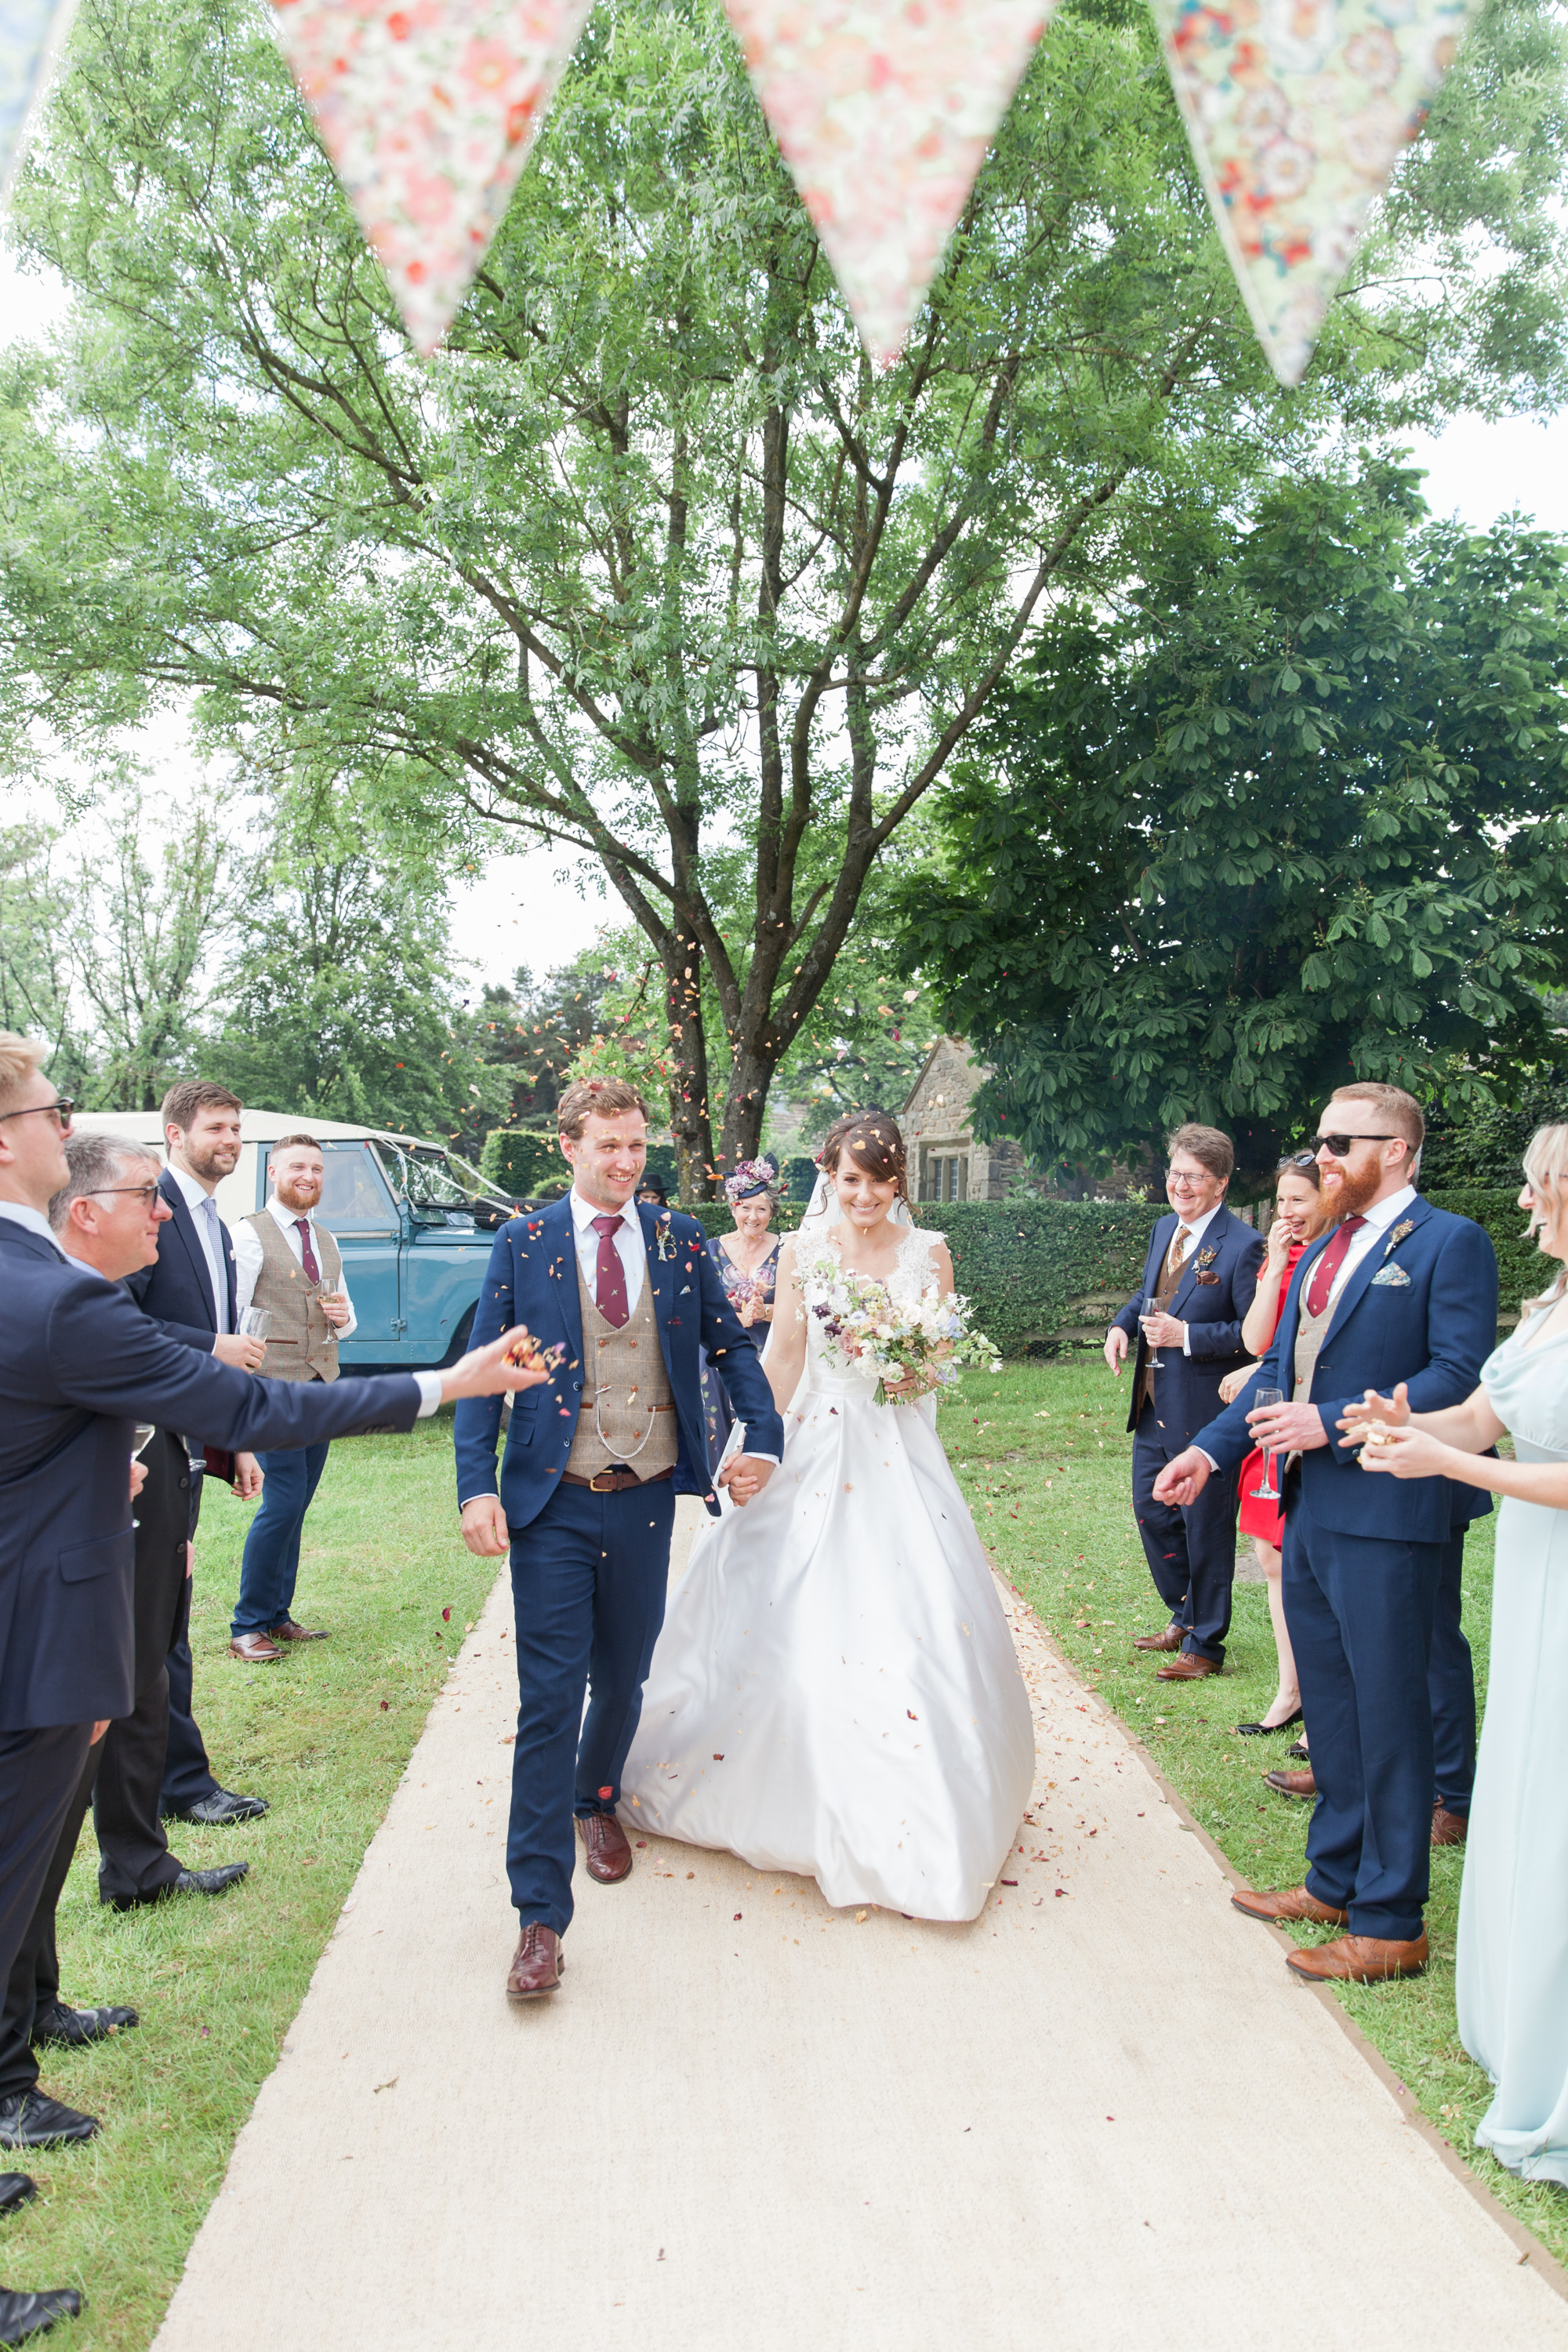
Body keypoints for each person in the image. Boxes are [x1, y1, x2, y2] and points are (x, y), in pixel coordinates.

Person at [0, 1033, 548, 2338]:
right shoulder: (59, 1296)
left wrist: (83, 1476)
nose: (60, 1121)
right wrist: (449, 1384)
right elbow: (257, 1414)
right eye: (46, 1106)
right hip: (31, 1651)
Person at [621, 1112, 1036, 1922]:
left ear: (899, 1184)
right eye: (851, 1180)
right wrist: (762, 1446)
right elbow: (782, 1353)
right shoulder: (804, 1251)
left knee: (910, 1618)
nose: (865, 1196)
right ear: (828, 1177)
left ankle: (921, 1809)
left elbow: (936, 1367)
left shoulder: (930, 1253)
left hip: (893, 1447)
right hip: (814, 1437)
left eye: (881, 1182)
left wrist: (906, 1365)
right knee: (774, 1598)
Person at [1153, 1081, 1497, 1985]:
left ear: (1399, 1150)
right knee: (1336, 1712)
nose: (1326, 1157)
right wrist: (1207, 1450)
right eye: (1322, 1141)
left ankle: (1389, 1925)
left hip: (1388, 1512)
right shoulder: (1320, 1250)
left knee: (1387, 1715)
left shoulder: (1448, 1243)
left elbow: (1457, 1376)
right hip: (1310, 1508)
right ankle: (1333, 1881)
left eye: (1342, 1142)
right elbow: (1275, 1370)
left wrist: (1330, 1418)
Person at [454, 1078, 784, 2004]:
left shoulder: (679, 1239)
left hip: (643, 1497)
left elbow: (728, 1345)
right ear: (569, 1146)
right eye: (608, 1146)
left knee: (624, 1675)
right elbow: (487, 1371)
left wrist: (763, 1435)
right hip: (552, 1502)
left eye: (636, 1146)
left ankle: (595, 1797)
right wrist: (475, 1485)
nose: (626, 1162)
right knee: (549, 1695)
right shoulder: (522, 1243)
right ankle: (537, 1921)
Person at [1346, 1124, 1568, 2177]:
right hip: (1535, 1578)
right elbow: (1486, 1414)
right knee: (1529, 1777)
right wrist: (1415, 1423)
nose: (1527, 1209)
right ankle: (1519, 2009)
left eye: (1540, 1191)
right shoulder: (1548, 1306)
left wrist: (1445, 1465)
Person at [123, 1079, 269, 1826]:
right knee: (155, 1633)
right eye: (216, 1128)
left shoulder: (215, 1222)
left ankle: (169, 1781)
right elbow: (119, 1326)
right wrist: (214, 1345)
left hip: (186, 1445)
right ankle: (179, 1786)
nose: (231, 1141)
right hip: (137, 1452)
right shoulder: (147, 1210)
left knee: (170, 1623)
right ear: (174, 1135)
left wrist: (229, 1441)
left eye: (237, 1128)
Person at [1105, 1124, 1265, 1682]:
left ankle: (1205, 1646)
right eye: (1174, 1173)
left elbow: (1256, 1334)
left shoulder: (1245, 1246)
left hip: (1205, 1409)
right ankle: (1184, 1613)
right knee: (1153, 1512)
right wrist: (1122, 1325)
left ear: (1220, 1184)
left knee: (1205, 1526)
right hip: (1152, 1402)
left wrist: (1188, 1337)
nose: (1180, 1185)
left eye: (1193, 1177)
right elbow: (1146, 1293)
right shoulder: (1163, 1229)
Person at [228, 1135, 355, 1661]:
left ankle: (277, 1616)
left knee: (296, 1506)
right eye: (298, 1166)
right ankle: (247, 1625)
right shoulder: (249, 1235)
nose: (309, 1176)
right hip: (272, 1391)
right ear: (274, 1173)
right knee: (280, 1506)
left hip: (320, 1391)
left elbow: (348, 1320)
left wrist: (345, 1321)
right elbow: (230, 1319)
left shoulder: (326, 1239)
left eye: (318, 1169)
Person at [1219, 1153, 1324, 1737]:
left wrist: (1258, 1369)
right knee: (1269, 1556)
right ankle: (1291, 1689)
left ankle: (1323, 1702)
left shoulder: (1338, 1260)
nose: (1288, 1212)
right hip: (1271, 1418)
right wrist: (1276, 1263)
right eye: (1281, 1201)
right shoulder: (1276, 1258)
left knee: (1305, 1561)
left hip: (1309, 1419)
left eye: (1298, 1200)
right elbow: (1256, 1336)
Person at [699, 1157, 782, 1469]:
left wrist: (766, 1311)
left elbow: (799, 1310)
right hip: (716, 1354)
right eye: (745, 1207)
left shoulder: (786, 1251)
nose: (753, 1216)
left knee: (760, 1420)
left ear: (771, 1212)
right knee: (716, 1423)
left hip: (768, 1351)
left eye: (761, 1208)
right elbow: (698, 1309)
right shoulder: (709, 1249)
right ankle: (719, 1488)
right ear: (733, 1209)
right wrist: (736, 1319)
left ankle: (758, 1478)